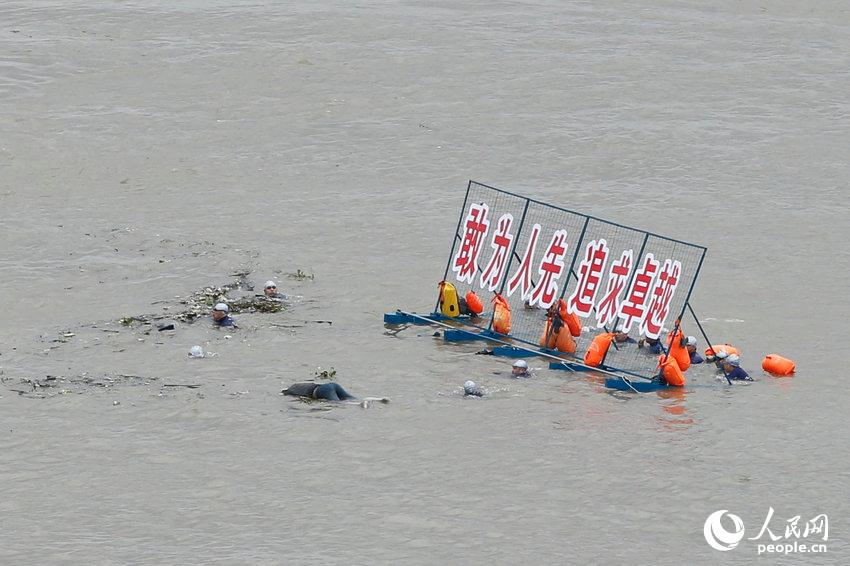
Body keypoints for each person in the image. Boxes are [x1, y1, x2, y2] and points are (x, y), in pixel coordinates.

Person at [283, 382, 355, 401]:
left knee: (337, 404)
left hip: (324, 391)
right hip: (331, 385)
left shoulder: (290, 392)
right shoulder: (296, 385)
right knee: (350, 398)